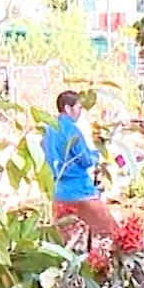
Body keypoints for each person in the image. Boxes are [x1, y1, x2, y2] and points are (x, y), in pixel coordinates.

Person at [45, 90, 118, 243]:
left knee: (64, 241)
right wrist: (96, 154)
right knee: (112, 233)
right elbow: (85, 160)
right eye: (78, 107)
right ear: (67, 108)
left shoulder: (48, 130)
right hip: (80, 191)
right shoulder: (72, 130)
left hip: (57, 192)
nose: (80, 112)